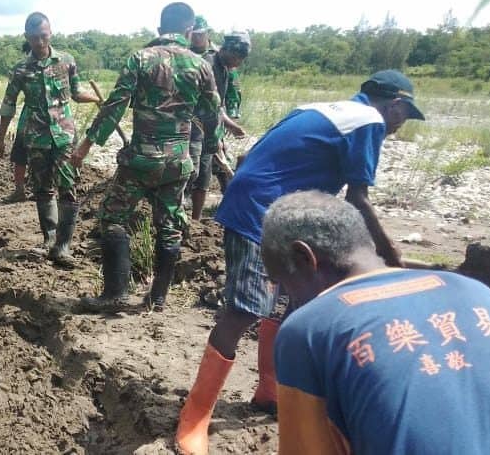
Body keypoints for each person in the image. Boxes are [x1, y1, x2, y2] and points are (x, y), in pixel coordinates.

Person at [175, 69, 425, 455]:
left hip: (286, 214)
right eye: (405, 115)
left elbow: (247, 154)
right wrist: (391, 258)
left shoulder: (324, 109)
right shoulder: (369, 120)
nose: (401, 125)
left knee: (289, 302)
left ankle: (270, 391)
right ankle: (194, 419)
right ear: (394, 105)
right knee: (243, 311)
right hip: (259, 211)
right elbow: (358, 199)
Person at [262, 191, 490, 455]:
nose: (286, 297)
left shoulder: (309, 330)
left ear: (304, 258)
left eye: (281, 283)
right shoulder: (482, 295)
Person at [71, 2, 219, 311]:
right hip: (178, 163)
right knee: (170, 226)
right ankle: (158, 297)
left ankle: (115, 294)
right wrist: (208, 148)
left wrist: (86, 145)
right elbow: (211, 114)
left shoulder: (140, 59)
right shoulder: (201, 65)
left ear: (159, 29)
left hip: (142, 160)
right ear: (189, 31)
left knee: (112, 216)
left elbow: (115, 106)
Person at [0, 12, 101, 266]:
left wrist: (97, 99)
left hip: (64, 136)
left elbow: (75, 93)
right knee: (42, 188)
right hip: (37, 137)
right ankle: (49, 239)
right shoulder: (21, 69)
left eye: (43, 36)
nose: (40, 43)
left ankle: (63, 245)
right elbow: (8, 105)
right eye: (34, 38)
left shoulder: (66, 61)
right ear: (26, 38)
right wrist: (0, 139)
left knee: (68, 187)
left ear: (50, 33)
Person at [188, 32, 250, 221]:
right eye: (236, 58)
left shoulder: (224, 68)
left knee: (204, 178)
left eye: (241, 60)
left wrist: (229, 127)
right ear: (225, 50)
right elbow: (200, 102)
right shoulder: (207, 64)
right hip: (193, 129)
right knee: (191, 173)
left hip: (210, 131)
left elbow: (218, 105)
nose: (237, 63)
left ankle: (196, 220)